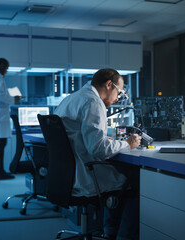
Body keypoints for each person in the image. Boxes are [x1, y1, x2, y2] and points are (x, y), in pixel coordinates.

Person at [54, 68, 141, 240]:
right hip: (86, 174)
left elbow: (82, 137)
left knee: (121, 178)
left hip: (68, 175)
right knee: (137, 180)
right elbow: (98, 149)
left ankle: (110, 231)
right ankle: (123, 236)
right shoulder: (93, 102)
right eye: (119, 92)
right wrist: (128, 144)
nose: (118, 97)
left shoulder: (73, 98)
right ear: (109, 85)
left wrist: (104, 139)